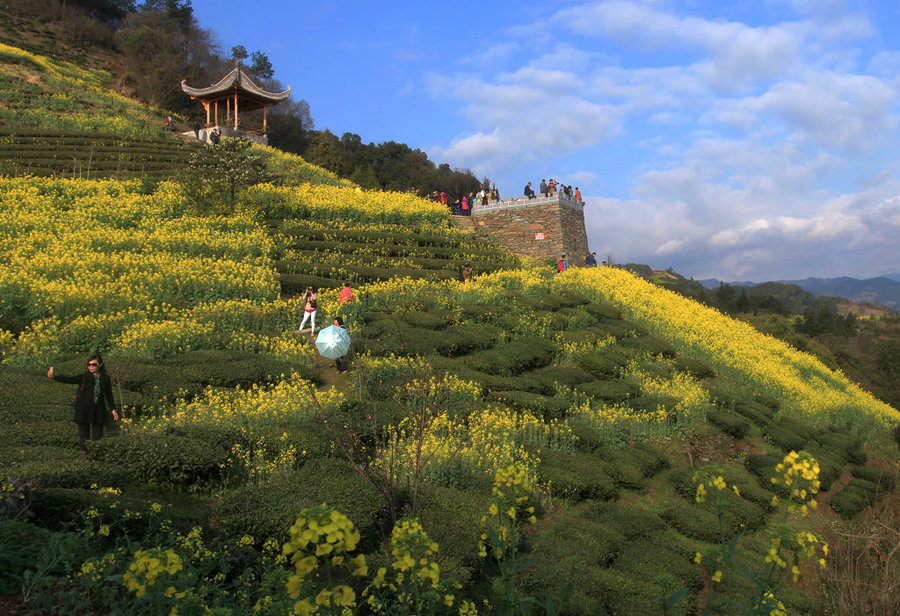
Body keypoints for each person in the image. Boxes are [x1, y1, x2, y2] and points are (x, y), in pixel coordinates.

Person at [47, 355, 118, 451]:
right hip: (84, 409)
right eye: (89, 365)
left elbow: (108, 394)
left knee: (98, 436)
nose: (91, 367)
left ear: (100, 365)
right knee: (84, 436)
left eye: (93, 365)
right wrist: (54, 377)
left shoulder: (105, 378)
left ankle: (96, 454)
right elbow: (69, 379)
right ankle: (84, 456)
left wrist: (113, 408)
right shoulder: (84, 377)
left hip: (98, 409)